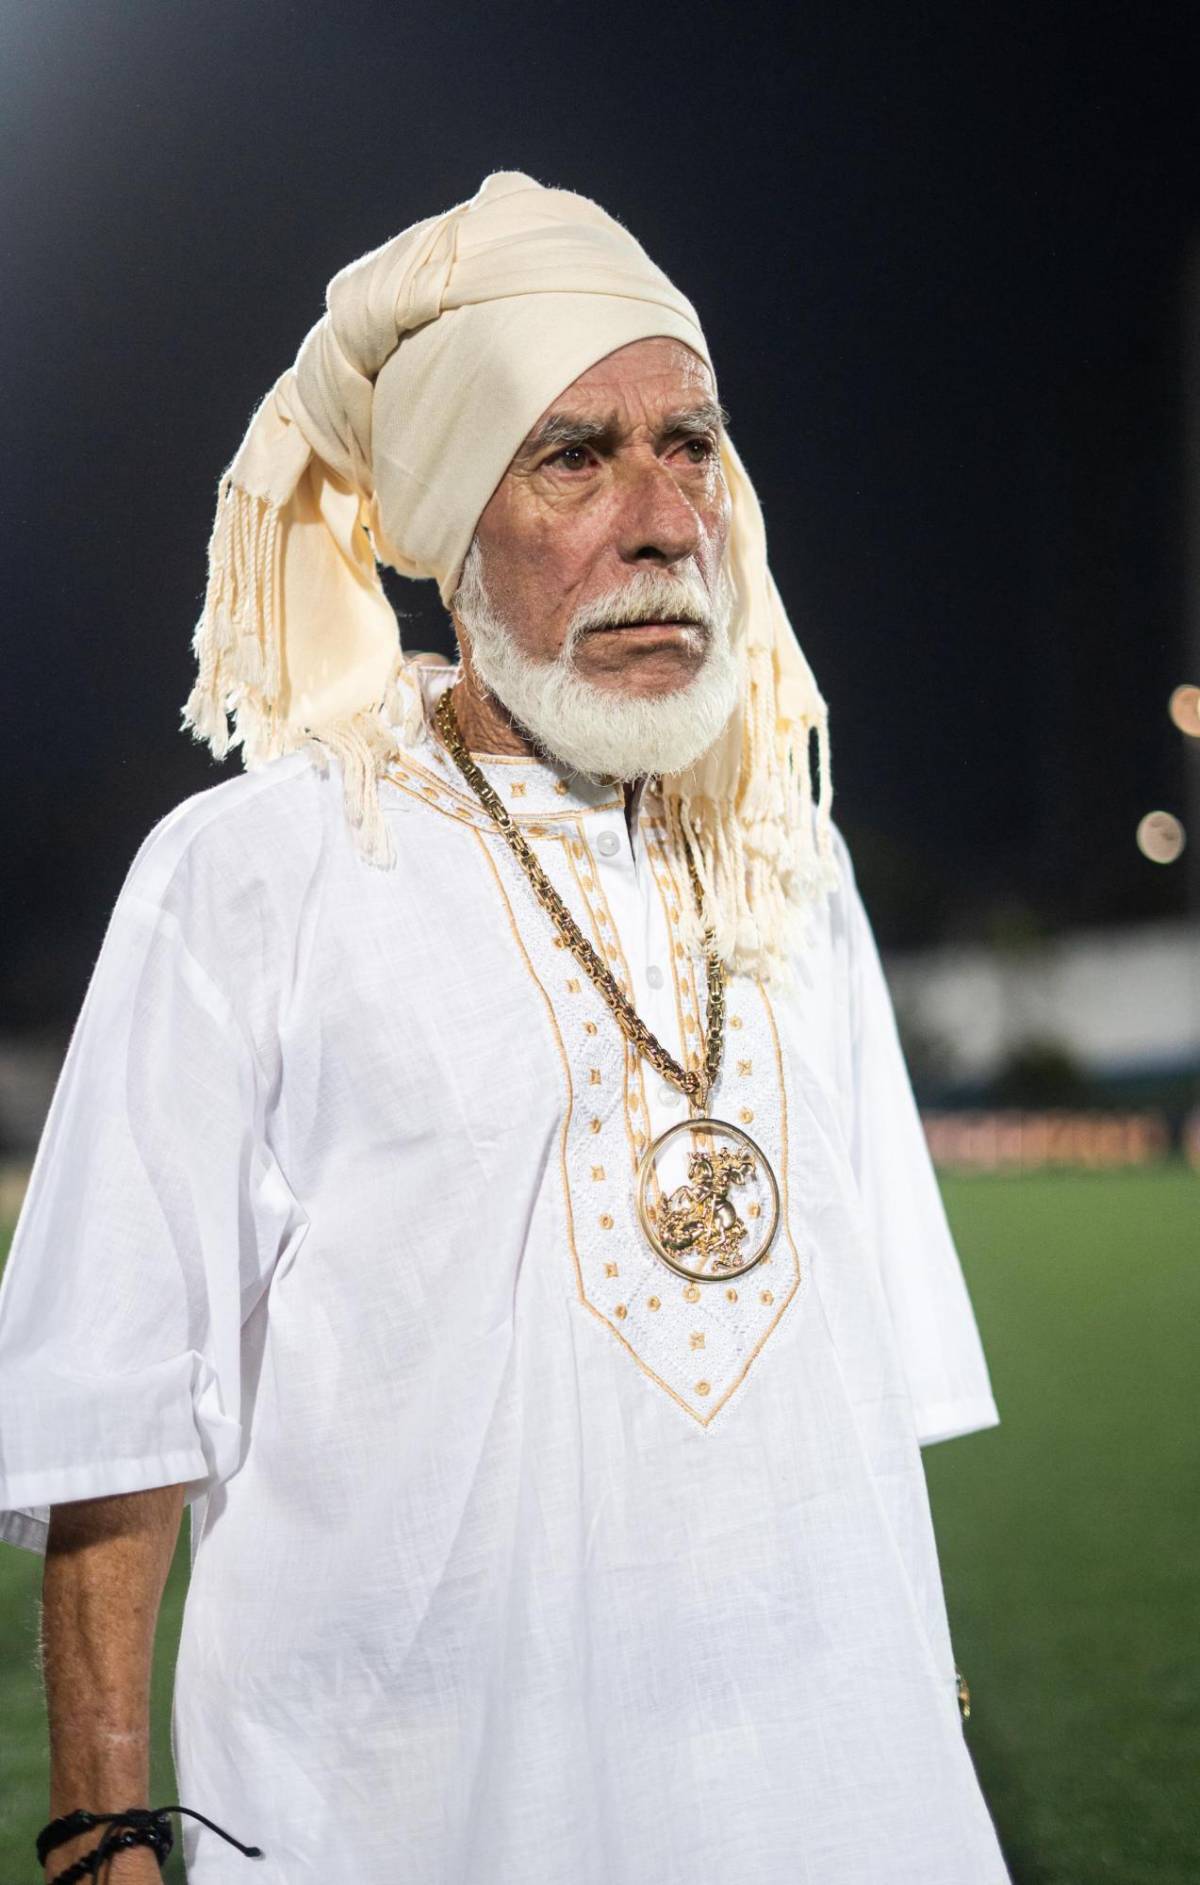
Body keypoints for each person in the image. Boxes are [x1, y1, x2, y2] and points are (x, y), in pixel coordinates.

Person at [0, 172, 1010, 1884]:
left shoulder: (783, 850)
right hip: (415, 1814)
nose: (664, 518)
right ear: (456, 532)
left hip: (822, 1803)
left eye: (690, 445)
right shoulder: (261, 872)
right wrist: (104, 1826)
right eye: (575, 457)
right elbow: (117, 1412)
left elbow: (857, 1391)